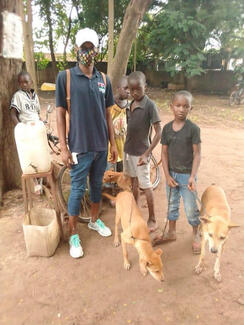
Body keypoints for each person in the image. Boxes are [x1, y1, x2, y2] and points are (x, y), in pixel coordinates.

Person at [56, 28, 117, 258]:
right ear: (76, 50)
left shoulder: (104, 80)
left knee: (97, 186)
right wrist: (64, 148)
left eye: (91, 48)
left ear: (97, 50)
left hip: (101, 145)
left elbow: (108, 115)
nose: (88, 52)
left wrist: (113, 143)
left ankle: (93, 220)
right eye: (84, 48)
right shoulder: (66, 78)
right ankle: (73, 234)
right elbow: (60, 114)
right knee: (77, 190)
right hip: (79, 146)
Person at [152, 90, 201, 254]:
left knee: (191, 208)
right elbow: (164, 154)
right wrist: (166, 175)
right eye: (178, 105)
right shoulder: (166, 129)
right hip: (171, 175)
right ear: (171, 107)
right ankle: (171, 232)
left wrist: (193, 177)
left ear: (190, 109)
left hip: (188, 177)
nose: (181, 109)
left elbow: (197, 154)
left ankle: (196, 233)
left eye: (185, 106)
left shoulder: (193, 129)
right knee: (172, 205)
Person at [123, 71, 161, 232]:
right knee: (133, 183)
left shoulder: (150, 105)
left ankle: (152, 218)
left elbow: (158, 132)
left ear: (145, 87)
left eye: (138, 89)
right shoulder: (130, 104)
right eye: (131, 90)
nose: (135, 93)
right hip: (129, 151)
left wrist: (147, 154)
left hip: (141, 153)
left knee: (146, 185)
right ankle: (136, 211)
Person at [10, 71, 42, 194]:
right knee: (30, 156)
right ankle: (35, 183)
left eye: (26, 82)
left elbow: (37, 113)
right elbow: (13, 114)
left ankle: (41, 180)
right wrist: (20, 128)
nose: (24, 84)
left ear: (31, 82)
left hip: (37, 128)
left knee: (40, 154)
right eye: (21, 82)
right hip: (26, 129)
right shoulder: (18, 96)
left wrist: (41, 121)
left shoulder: (35, 96)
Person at [107, 76, 129, 172]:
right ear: (118, 88)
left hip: (122, 144)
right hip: (109, 146)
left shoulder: (129, 105)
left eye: (130, 89)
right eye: (125, 88)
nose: (128, 91)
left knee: (121, 175)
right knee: (109, 175)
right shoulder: (109, 103)